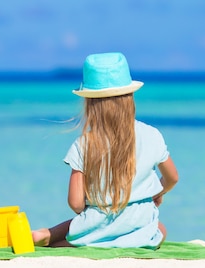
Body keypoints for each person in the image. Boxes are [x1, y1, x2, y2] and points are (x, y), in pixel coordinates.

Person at [32, 52, 179, 249]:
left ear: (90, 103)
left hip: (97, 224)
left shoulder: (84, 144)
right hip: (140, 224)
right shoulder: (152, 134)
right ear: (130, 97)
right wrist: (155, 194)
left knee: (81, 228)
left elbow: (75, 204)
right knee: (161, 229)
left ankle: (47, 235)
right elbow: (172, 178)